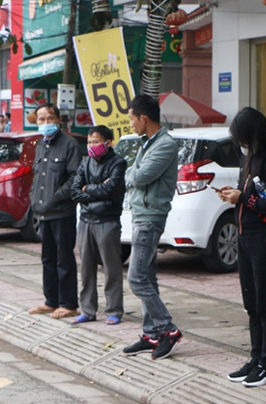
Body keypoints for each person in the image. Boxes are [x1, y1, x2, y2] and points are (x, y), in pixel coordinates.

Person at [218, 107, 266, 387]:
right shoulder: (248, 159)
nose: (241, 144)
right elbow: (248, 195)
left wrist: (242, 198)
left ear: (254, 135)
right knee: (251, 304)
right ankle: (256, 357)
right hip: (245, 237)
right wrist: (233, 194)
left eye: (242, 138)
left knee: (265, 303)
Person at [121, 94, 182, 360]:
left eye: (132, 119)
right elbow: (133, 174)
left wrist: (129, 174)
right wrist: (131, 174)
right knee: (147, 277)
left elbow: (140, 176)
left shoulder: (165, 144)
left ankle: (168, 329)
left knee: (136, 278)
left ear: (143, 118)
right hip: (141, 214)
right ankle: (152, 334)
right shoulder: (147, 143)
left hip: (151, 217)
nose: (131, 124)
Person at [27, 103, 83, 320]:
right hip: (43, 211)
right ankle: (51, 300)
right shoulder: (40, 145)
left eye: (50, 118)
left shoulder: (69, 144)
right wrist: (34, 198)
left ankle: (68, 304)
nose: (46, 123)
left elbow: (74, 177)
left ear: (58, 120)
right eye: (41, 119)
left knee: (64, 259)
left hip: (62, 211)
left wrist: (56, 197)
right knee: (47, 258)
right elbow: (37, 176)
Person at [70, 125, 127, 325]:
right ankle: (87, 310)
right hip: (86, 220)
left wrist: (87, 189)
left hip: (108, 220)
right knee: (86, 269)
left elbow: (110, 190)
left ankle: (114, 310)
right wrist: (96, 190)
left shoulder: (118, 163)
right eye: (89, 142)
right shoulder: (85, 162)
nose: (91, 146)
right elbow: (75, 191)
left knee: (111, 268)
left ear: (108, 143)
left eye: (96, 141)